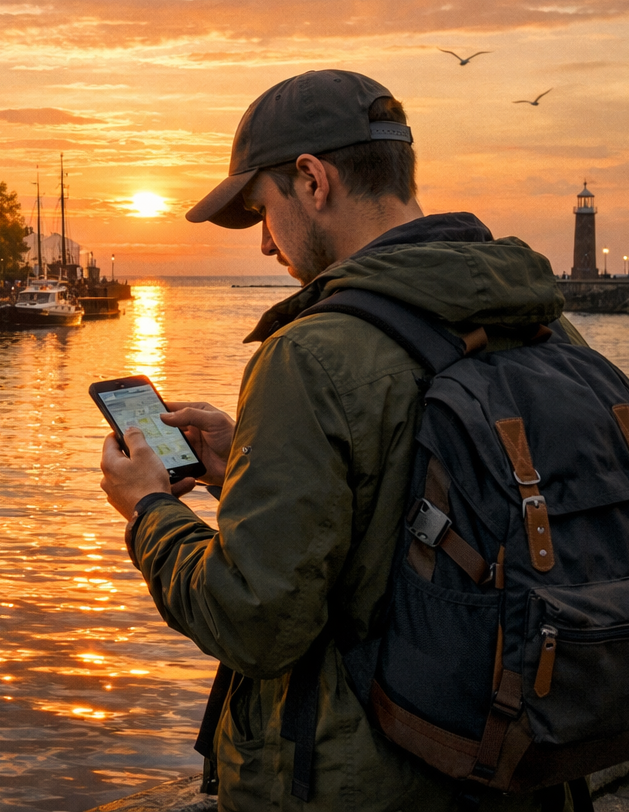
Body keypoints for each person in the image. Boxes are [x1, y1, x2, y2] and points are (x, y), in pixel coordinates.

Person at [98, 70, 573, 811]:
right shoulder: (541, 321)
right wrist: (247, 477)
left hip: (365, 782)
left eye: (262, 210)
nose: (264, 244)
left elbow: (255, 619)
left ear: (313, 181)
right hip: (520, 757)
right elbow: (425, 517)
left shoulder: (312, 353)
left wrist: (150, 511)